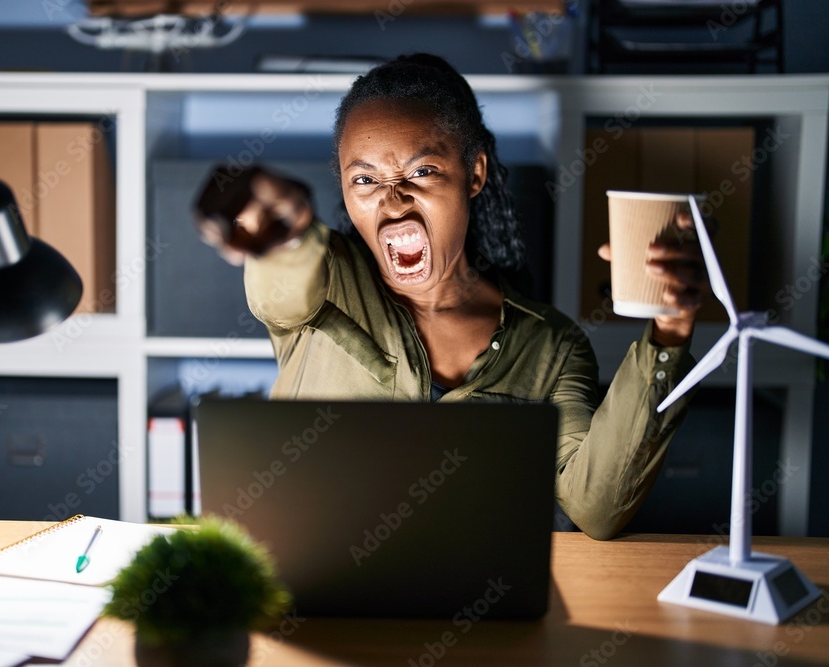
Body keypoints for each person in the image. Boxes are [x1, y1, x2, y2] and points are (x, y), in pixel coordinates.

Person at [193, 54, 707, 540]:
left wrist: (671, 329)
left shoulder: (550, 345)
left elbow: (596, 507)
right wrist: (273, 229)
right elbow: (279, 289)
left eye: (422, 172)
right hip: (305, 595)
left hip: (473, 615)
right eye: (365, 179)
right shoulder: (327, 275)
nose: (392, 200)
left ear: (475, 175)